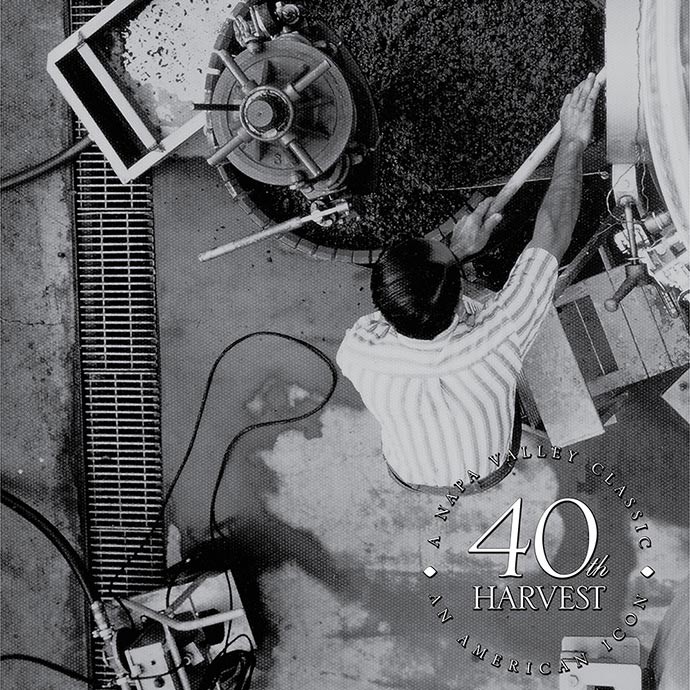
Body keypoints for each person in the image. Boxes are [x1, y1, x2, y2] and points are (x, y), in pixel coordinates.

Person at [337, 73, 602, 493]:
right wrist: (571, 142)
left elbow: (413, 302)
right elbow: (552, 234)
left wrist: (457, 256)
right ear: (461, 301)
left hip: (408, 473)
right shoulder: (502, 336)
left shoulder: (357, 349)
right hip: (488, 467)